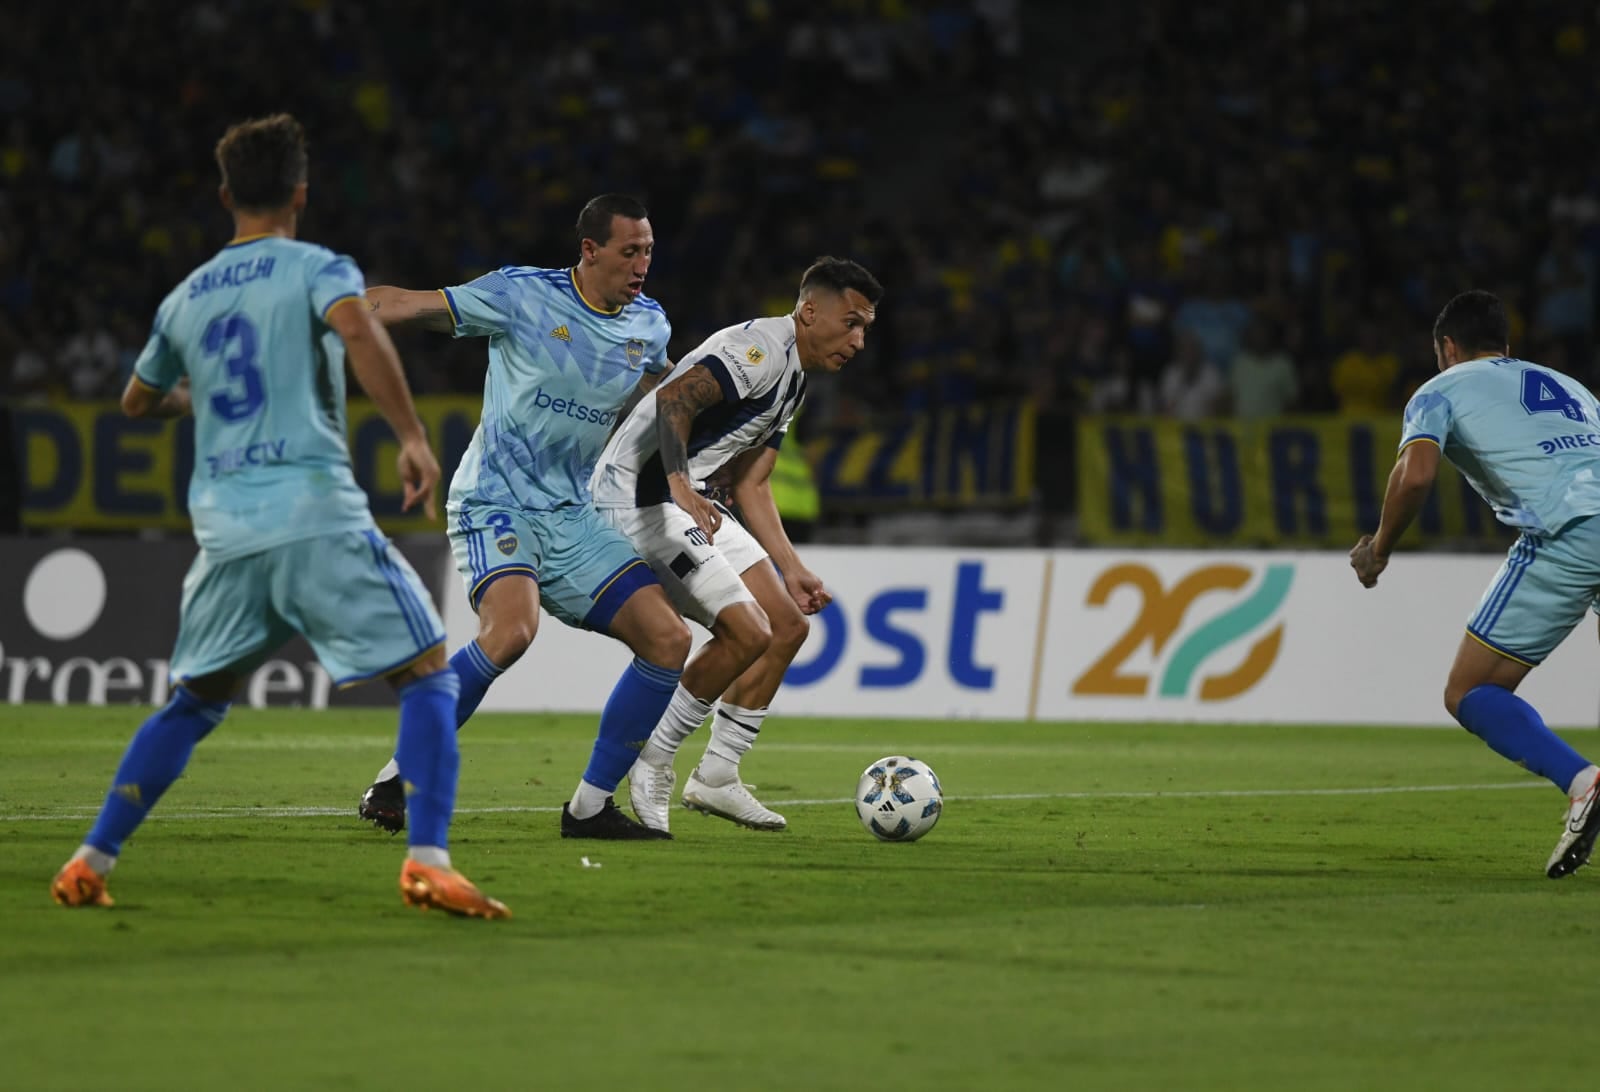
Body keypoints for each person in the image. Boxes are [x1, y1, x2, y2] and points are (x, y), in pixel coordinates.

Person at [49, 114, 508, 918]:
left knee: (191, 703)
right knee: (430, 675)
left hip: (225, 533)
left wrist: (210, 403)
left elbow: (137, 401)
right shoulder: (315, 267)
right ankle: (427, 859)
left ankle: (91, 857)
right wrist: (410, 438)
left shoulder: (184, 297)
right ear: (301, 191)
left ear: (225, 194)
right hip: (314, 514)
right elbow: (359, 327)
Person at [354, 194, 692, 840]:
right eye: (630, 251)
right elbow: (409, 303)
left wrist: (694, 456)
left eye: (648, 250)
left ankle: (590, 808)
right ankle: (398, 774)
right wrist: (336, 314)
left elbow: (668, 396)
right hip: (495, 499)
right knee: (511, 632)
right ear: (590, 251)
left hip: (572, 515)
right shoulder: (520, 295)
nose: (642, 263)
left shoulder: (649, 325)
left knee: (669, 640)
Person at [591, 257, 883, 833]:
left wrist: (791, 567)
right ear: (808, 311)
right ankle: (653, 760)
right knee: (747, 630)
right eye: (850, 323)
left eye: (866, 328)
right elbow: (675, 399)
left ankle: (718, 776)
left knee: (786, 626)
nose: (859, 340)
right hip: (639, 496)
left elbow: (752, 480)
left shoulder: (795, 375)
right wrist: (678, 482)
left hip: (686, 496)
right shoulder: (759, 351)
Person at [1350, 289, 1600, 880]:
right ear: (1507, 347)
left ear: (1446, 348)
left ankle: (1583, 781)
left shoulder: (1441, 388)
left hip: (1570, 527)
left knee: (1471, 692)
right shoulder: (1573, 388)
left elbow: (1415, 476)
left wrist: (1378, 550)